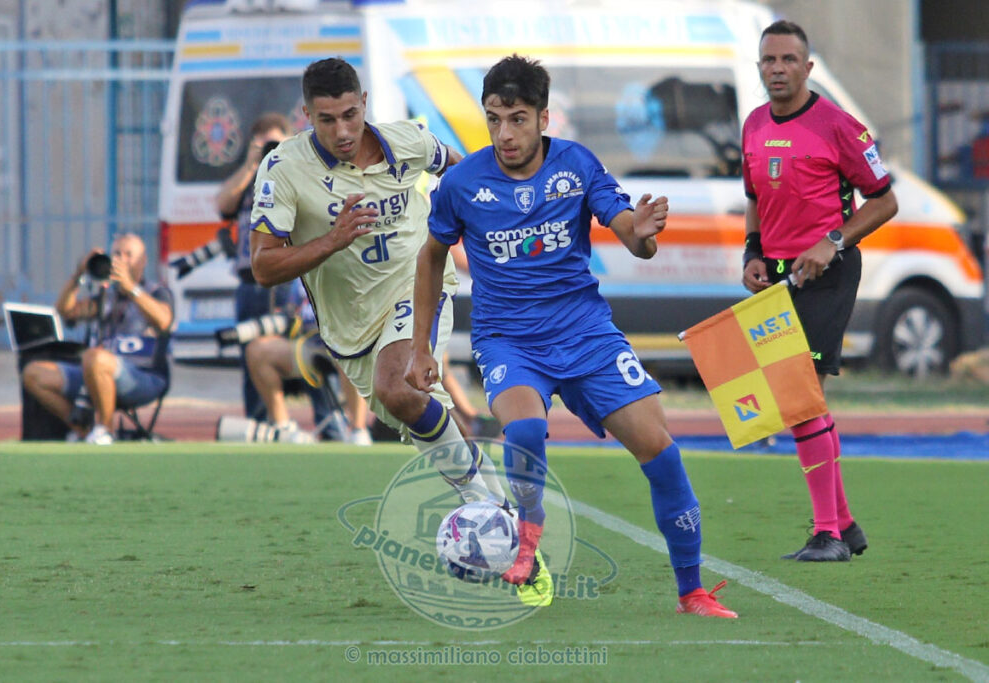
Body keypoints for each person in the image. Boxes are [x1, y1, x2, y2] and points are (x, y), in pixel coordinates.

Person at [406, 55, 737, 617]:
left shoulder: (577, 165)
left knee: (661, 453)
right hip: (508, 339)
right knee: (525, 430)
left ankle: (692, 592)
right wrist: (420, 347)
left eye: (517, 119)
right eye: (494, 120)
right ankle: (527, 543)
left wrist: (644, 235)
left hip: (586, 334)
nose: (504, 134)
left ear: (543, 118)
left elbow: (632, 235)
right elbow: (431, 256)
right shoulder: (461, 184)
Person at [248, 58, 506, 503]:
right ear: (307, 116)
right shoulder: (283, 168)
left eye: (350, 114)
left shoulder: (407, 141)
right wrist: (333, 240)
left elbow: (460, 169)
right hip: (350, 326)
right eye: (327, 120)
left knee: (398, 386)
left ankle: (480, 506)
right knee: (421, 411)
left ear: (364, 103)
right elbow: (263, 266)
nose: (343, 131)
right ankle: (501, 508)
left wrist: (476, 218)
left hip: (419, 283)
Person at [741, 21, 898, 561]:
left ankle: (827, 534)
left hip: (828, 273)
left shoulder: (838, 126)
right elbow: (755, 197)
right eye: (769, 60)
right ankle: (844, 526)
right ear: (759, 67)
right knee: (800, 401)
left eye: (788, 59)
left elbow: (885, 201)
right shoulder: (754, 124)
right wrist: (752, 253)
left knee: (799, 397)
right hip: (778, 277)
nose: (778, 69)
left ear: (808, 68)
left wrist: (832, 242)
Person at [22, 232, 173, 445]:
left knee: (96, 358)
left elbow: (164, 321)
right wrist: (78, 275)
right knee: (34, 373)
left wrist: (132, 289)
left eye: (128, 254)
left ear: (143, 260)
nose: (121, 260)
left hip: (142, 376)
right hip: (92, 372)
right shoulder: (105, 295)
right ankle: (84, 430)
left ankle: (105, 429)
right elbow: (66, 310)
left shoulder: (157, 292)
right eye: (116, 254)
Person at [215, 112, 295, 420]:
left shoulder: (296, 174)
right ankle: (259, 423)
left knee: (301, 351)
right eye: (266, 145)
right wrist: (251, 163)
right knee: (250, 353)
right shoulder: (248, 178)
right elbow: (223, 204)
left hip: (287, 279)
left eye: (277, 144)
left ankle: (325, 427)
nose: (271, 150)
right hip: (250, 281)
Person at [245, 293, 373, 445]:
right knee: (257, 351)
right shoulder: (296, 281)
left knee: (351, 351)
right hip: (309, 342)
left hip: (344, 339)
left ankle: (358, 429)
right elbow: (293, 309)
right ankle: (284, 429)